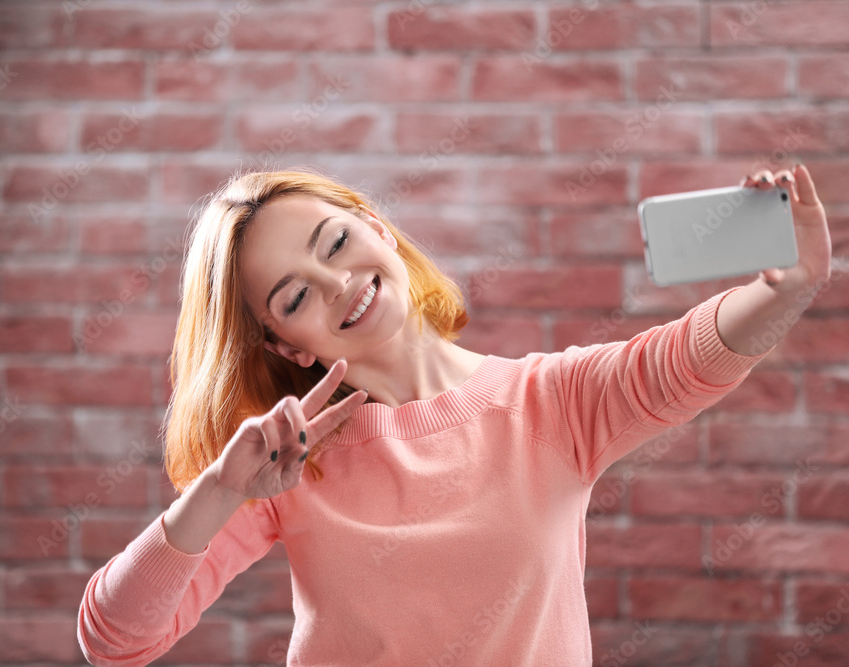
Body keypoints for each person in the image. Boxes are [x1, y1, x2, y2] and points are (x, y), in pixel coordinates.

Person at [78, 165, 832, 666]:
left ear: (376, 227)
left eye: (335, 242)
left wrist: (787, 287)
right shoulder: (285, 465)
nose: (337, 283)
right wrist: (217, 490)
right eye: (296, 295)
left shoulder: (551, 402)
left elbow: (686, 359)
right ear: (285, 344)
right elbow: (116, 639)